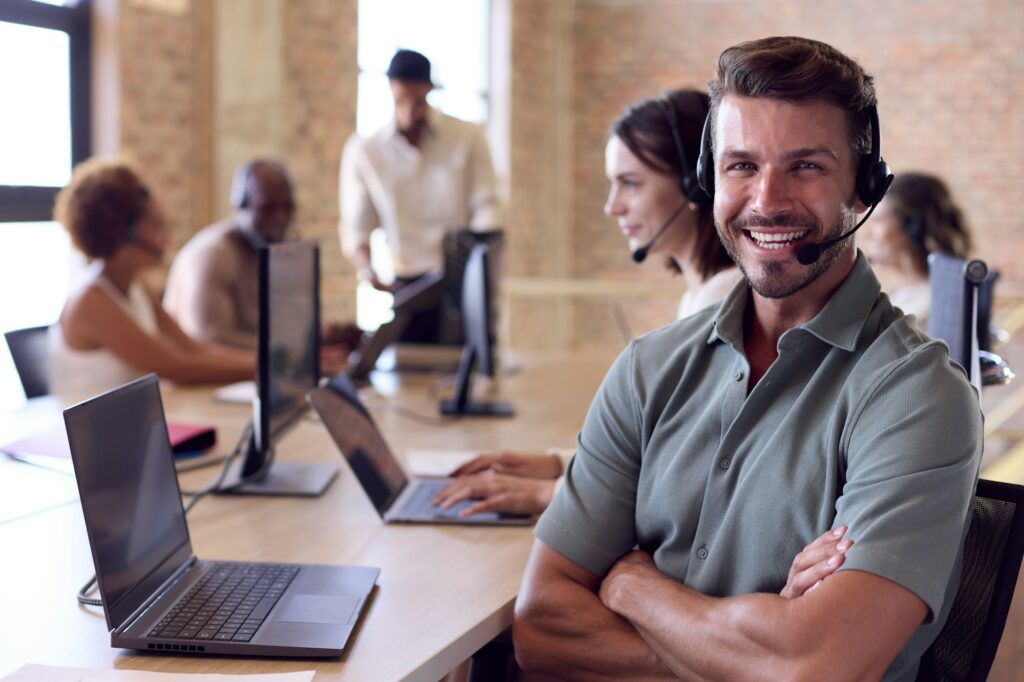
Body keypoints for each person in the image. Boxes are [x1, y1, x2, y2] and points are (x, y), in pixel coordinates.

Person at [514, 36, 982, 682]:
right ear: (711, 179)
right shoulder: (648, 370)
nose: (766, 201)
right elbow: (540, 628)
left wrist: (630, 588)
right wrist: (747, 650)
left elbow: (814, 667)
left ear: (864, 185)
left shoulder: (918, 397)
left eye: (806, 166)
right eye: (741, 166)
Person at [433, 89, 741, 517]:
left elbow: (685, 473)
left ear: (697, 183)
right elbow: (661, 449)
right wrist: (557, 464)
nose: (612, 207)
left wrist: (549, 494)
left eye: (630, 183)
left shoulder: (724, 304)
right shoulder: (701, 296)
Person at [50, 157, 255, 399]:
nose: (166, 237)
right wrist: (269, 368)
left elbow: (192, 348)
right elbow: (179, 368)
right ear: (122, 234)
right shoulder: (90, 301)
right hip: (94, 434)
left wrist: (269, 361)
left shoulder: (135, 286)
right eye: (158, 226)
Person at [339, 48, 502, 343]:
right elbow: (356, 227)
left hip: (458, 281)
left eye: (417, 102)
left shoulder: (468, 138)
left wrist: (478, 261)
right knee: (407, 369)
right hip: (407, 287)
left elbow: (487, 206)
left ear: (428, 90)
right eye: (401, 101)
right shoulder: (366, 151)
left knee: (468, 362)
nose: (408, 112)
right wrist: (368, 270)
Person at [163, 159, 296, 349]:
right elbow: (208, 340)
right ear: (240, 205)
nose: (280, 218)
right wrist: (286, 350)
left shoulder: (271, 253)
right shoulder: (214, 255)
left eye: (287, 208)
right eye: (268, 208)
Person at [863, 172, 974, 324]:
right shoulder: (900, 295)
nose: (869, 233)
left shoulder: (936, 306)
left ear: (913, 227)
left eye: (879, 220)